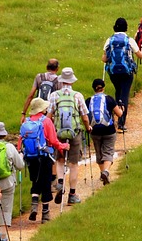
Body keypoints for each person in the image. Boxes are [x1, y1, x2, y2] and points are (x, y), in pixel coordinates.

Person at [19, 96, 68, 223]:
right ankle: (45, 214)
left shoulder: (26, 122)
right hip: (45, 156)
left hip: (30, 157)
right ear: (42, 109)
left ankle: (34, 204)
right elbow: (53, 140)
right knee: (46, 183)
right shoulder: (46, 121)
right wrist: (63, 146)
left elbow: (21, 140)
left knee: (35, 181)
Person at [48, 67, 91, 207]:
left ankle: (60, 182)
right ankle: (72, 195)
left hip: (59, 133)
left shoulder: (54, 95)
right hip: (75, 133)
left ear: (61, 81)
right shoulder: (77, 96)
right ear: (72, 81)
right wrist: (88, 127)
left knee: (60, 161)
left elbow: (49, 116)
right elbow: (84, 116)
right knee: (73, 164)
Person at [102, 18, 141, 132]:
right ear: (126, 28)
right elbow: (139, 56)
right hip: (126, 72)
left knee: (118, 92)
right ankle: (121, 122)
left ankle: (115, 117)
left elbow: (104, 58)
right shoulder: (129, 40)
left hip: (113, 72)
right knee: (124, 94)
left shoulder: (110, 40)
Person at [88, 78, 123, 185]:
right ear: (104, 87)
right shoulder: (109, 99)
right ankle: (106, 171)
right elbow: (119, 114)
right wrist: (122, 108)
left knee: (99, 153)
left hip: (94, 131)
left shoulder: (88, 100)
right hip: (109, 130)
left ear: (93, 88)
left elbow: (85, 116)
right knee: (108, 151)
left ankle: (102, 172)